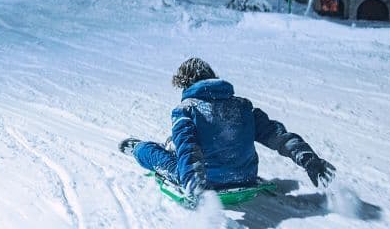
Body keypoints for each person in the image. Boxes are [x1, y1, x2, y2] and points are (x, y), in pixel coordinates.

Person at [119, 58, 335, 198]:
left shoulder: (186, 110)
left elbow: (188, 147)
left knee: (157, 155)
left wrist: (196, 185)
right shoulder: (242, 106)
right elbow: (277, 135)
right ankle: (166, 146)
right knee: (180, 142)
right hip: (245, 175)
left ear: (187, 85)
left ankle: (137, 148)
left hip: (207, 180)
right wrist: (309, 159)